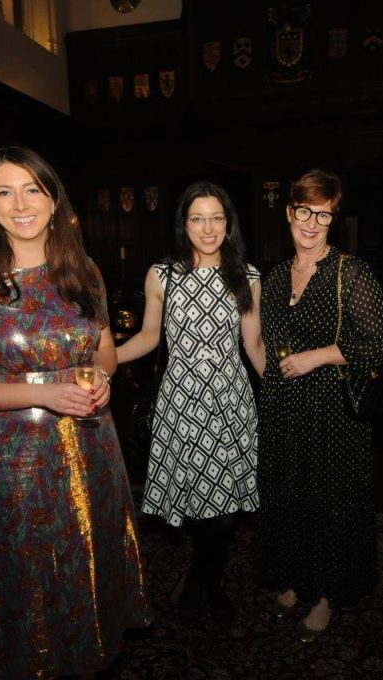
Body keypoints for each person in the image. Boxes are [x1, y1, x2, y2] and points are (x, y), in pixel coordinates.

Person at [0, 147, 150, 677]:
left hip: (90, 448)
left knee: (83, 573)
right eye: (4, 193)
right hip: (11, 464)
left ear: (54, 201)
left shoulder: (85, 272)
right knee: (26, 582)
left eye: (32, 189)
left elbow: (104, 353)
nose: (21, 204)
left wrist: (102, 377)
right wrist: (43, 393)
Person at [116, 180, 263, 622]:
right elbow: (147, 337)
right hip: (181, 403)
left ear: (229, 223)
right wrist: (102, 359)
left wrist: (281, 390)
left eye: (217, 218)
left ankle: (203, 578)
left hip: (231, 402)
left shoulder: (248, 276)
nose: (208, 228)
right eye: (197, 218)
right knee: (201, 504)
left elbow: (254, 346)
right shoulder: (162, 274)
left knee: (223, 511)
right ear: (184, 223)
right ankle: (205, 578)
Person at [256, 168, 383, 642]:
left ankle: (328, 594)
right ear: (289, 212)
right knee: (289, 493)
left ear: (334, 219)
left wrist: (317, 357)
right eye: (304, 212)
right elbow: (265, 344)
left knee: (329, 501)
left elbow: (378, 342)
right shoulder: (273, 277)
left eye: (324, 215)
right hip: (282, 406)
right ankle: (294, 578)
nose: (312, 224)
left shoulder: (350, 272)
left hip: (333, 410)